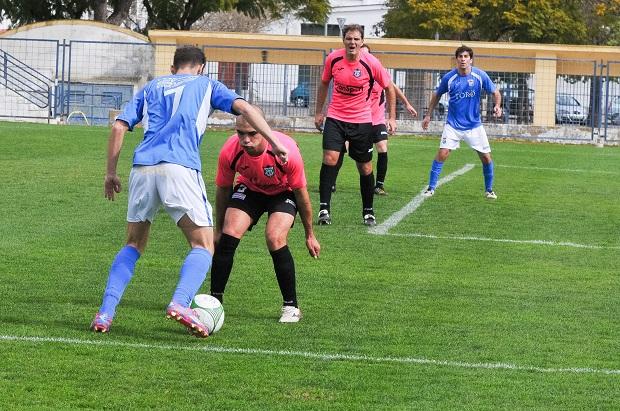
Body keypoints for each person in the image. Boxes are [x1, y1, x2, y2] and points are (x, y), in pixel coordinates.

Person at [90, 46, 289, 337]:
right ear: (202, 67)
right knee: (203, 245)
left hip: (142, 168)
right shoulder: (207, 84)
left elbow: (120, 126)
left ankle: (105, 314)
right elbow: (246, 109)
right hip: (179, 168)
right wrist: (273, 141)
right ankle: (180, 303)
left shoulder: (153, 86)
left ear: (173, 68)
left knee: (133, 244)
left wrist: (110, 173)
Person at [209, 108, 320, 323]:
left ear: (263, 130)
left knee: (275, 237)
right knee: (229, 233)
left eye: (252, 133)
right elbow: (223, 189)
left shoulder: (286, 152)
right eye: (241, 133)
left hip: (283, 192)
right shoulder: (230, 150)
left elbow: (301, 195)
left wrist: (310, 234)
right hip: (250, 190)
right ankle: (214, 302)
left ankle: (291, 306)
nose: (245, 140)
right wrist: (218, 229)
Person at [314, 24, 396, 226]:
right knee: (330, 158)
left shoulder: (371, 62)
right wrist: (319, 112)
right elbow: (324, 83)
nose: (352, 42)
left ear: (361, 41)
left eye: (356, 39)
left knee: (365, 167)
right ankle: (324, 208)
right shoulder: (333, 59)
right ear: (343, 40)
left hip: (361, 121)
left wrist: (392, 117)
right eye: (349, 39)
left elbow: (389, 87)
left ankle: (368, 211)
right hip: (335, 117)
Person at [333, 44, 418, 196]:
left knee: (382, 147)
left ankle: (379, 185)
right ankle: (331, 182)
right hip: (358, 120)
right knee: (341, 147)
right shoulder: (353, 74)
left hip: (377, 120)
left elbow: (392, 87)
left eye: (365, 53)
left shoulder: (376, 71)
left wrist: (407, 104)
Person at [421, 45, 501, 199]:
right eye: (460, 57)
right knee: (442, 153)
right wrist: (428, 115)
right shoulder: (449, 78)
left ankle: (489, 190)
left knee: (486, 157)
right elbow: (436, 95)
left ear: (470, 59)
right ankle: (430, 188)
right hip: (453, 125)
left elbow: (496, 92)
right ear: (456, 59)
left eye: (466, 57)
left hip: (474, 126)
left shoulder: (480, 76)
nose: (463, 59)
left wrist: (497, 106)